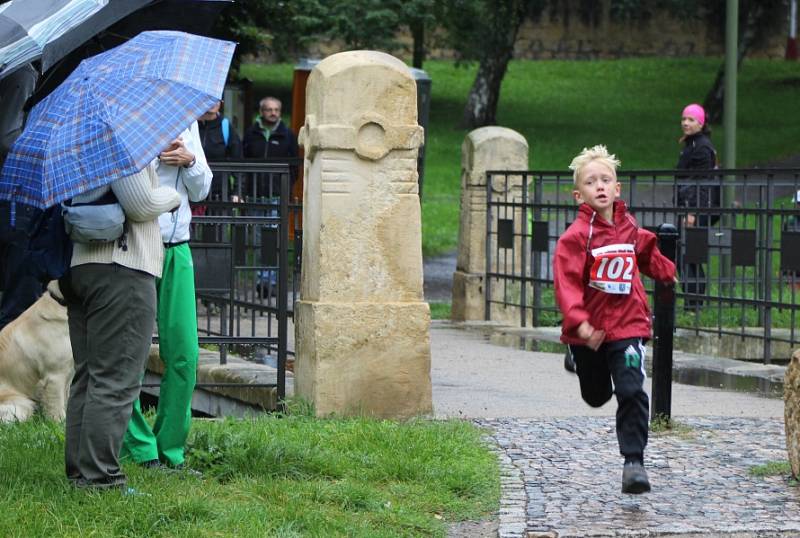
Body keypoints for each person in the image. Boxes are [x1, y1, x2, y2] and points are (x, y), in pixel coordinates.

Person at [554, 145, 676, 495]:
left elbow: (646, 249)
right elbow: (566, 283)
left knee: (631, 389)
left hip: (628, 326)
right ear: (580, 194)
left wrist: (665, 271)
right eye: (592, 182)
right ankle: (579, 362)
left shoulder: (628, 226)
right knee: (596, 396)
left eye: (606, 180)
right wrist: (579, 322)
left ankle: (633, 463)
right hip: (589, 332)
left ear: (617, 188)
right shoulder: (575, 238)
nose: (601, 187)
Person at [65, 162, 180, 490]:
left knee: (88, 377)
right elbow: (141, 205)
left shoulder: (84, 140)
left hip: (82, 265)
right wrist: (173, 195)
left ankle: (81, 474)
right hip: (121, 268)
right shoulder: (120, 139)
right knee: (116, 380)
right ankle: (102, 479)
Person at [122, 122, 213, 470]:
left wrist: (189, 161)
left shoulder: (188, 121)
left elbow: (203, 189)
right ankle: (139, 448)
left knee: (185, 354)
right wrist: (154, 153)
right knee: (129, 351)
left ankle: (171, 449)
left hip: (179, 248)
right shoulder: (131, 115)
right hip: (139, 246)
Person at [0, 64, 44, 330]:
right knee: (18, 300)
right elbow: (7, 137)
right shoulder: (23, 73)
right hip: (16, 196)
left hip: (13, 195)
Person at [242, 96, 298, 296]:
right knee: (257, 240)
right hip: (255, 195)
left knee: (272, 240)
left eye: (276, 109)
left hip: (276, 195)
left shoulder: (287, 135)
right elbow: (243, 162)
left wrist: (286, 190)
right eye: (269, 109)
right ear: (261, 111)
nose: (273, 113)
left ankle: (271, 281)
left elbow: (294, 168)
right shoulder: (251, 134)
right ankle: (260, 280)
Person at [675, 103, 719, 309]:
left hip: (696, 209)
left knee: (688, 254)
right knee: (686, 254)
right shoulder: (693, 145)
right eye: (684, 119)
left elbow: (702, 183)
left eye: (691, 120)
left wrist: (692, 211)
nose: (685, 123)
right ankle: (693, 301)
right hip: (689, 206)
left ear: (701, 123)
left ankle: (695, 302)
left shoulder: (701, 147)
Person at [198, 100, 242, 201]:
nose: (213, 103)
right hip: (194, 191)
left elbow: (238, 160)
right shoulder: (190, 125)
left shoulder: (225, 126)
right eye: (209, 99)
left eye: (217, 100)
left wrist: (238, 191)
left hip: (219, 193)